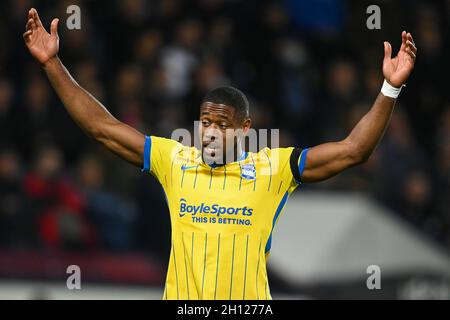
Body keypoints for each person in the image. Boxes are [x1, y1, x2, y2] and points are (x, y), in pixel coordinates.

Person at [23, 8, 417, 299]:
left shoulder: (272, 167)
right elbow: (101, 128)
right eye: (205, 122)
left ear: (245, 130)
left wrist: (389, 90)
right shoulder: (174, 160)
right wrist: (53, 64)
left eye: (221, 124)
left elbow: (353, 151)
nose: (210, 131)